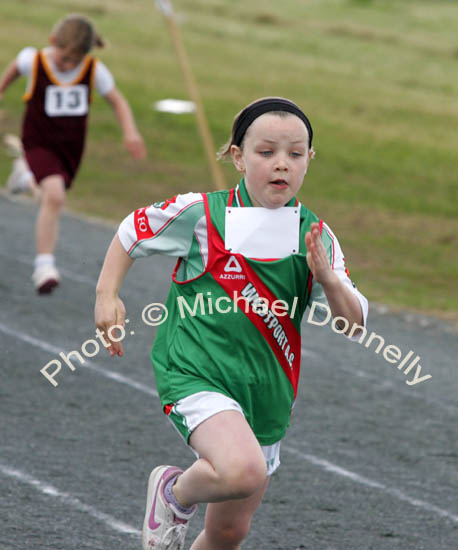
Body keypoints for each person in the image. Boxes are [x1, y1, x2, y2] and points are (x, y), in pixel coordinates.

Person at [94, 97, 368, 550]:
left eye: (295, 154)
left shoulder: (315, 235)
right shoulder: (202, 214)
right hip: (196, 372)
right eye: (266, 152)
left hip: (267, 390)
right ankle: (173, 492)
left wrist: (328, 281)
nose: (281, 165)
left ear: (309, 161)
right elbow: (132, 232)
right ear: (238, 157)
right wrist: (107, 295)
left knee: (228, 531)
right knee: (242, 470)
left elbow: (354, 324)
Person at [0, 13, 146, 294]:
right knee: (55, 196)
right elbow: (6, 79)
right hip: (38, 141)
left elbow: (118, 101)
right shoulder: (33, 60)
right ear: (53, 42)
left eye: (74, 61)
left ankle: (24, 176)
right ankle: (44, 267)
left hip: (70, 149)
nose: (68, 65)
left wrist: (130, 132)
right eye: (64, 59)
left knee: (48, 198)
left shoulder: (94, 70)